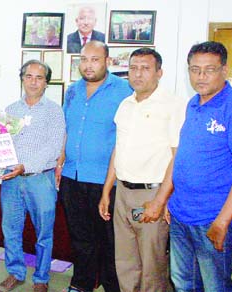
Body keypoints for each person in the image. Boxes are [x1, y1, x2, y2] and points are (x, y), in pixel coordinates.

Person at [161, 41, 232, 291]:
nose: (200, 76)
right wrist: (169, 199)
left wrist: (222, 222)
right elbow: (184, 158)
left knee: (215, 287)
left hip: (212, 219)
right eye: (194, 69)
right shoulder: (193, 103)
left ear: (224, 70)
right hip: (181, 215)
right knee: (184, 284)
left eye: (209, 69)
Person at [98, 48, 185, 291]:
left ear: (159, 72)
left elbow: (177, 157)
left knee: (152, 266)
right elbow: (119, 149)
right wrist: (107, 190)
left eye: (145, 68)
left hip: (152, 194)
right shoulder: (125, 104)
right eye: (133, 68)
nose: (138, 74)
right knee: (125, 262)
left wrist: (161, 200)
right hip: (123, 192)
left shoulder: (173, 105)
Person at [58, 41, 132, 292]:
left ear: (108, 61)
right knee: (80, 238)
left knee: (109, 240)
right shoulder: (73, 90)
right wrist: (60, 163)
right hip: (72, 176)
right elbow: (66, 129)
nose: (88, 65)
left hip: (106, 181)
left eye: (95, 59)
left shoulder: (124, 90)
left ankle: (112, 286)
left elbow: (126, 136)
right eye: (84, 59)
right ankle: (82, 283)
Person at [0, 60, 65, 292]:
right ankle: (15, 272)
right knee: (11, 229)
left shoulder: (54, 111)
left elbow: (54, 147)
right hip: (11, 180)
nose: (33, 82)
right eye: (29, 76)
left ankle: (41, 278)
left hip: (40, 179)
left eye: (39, 77)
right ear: (22, 79)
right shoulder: (10, 110)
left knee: (44, 231)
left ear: (46, 82)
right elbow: (2, 144)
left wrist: (25, 166)